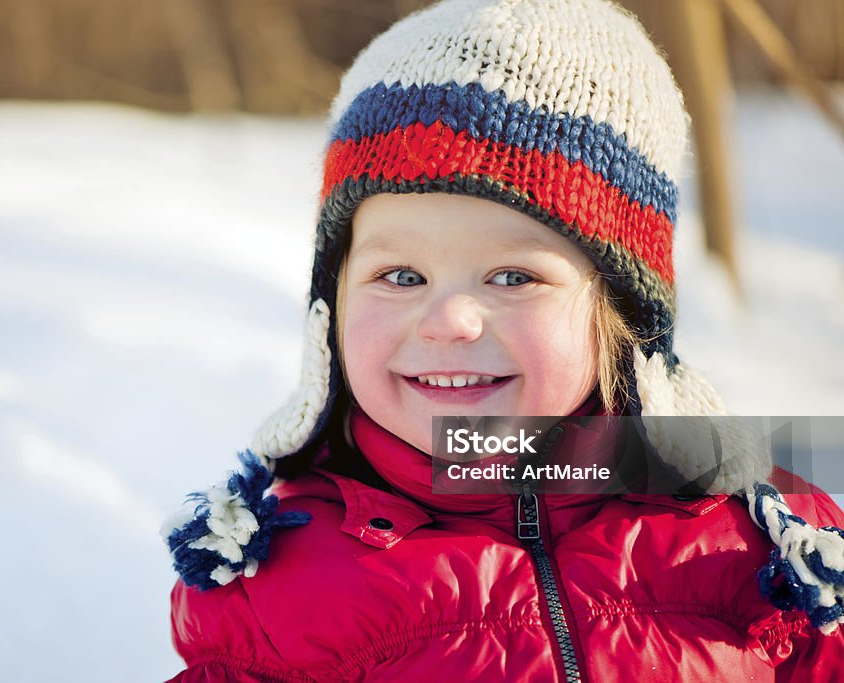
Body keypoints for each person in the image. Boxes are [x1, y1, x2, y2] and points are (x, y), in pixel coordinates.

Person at [163, 0, 844, 679]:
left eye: (512, 276)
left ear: (623, 308)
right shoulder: (271, 587)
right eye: (400, 274)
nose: (448, 320)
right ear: (330, 307)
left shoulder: (774, 553)